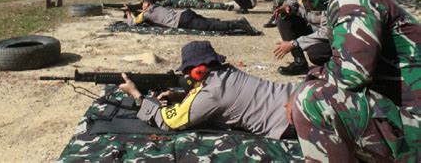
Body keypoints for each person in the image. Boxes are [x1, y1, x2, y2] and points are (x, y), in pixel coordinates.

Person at [284, 0, 421, 161]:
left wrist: (308, 80)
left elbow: (351, 74)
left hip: (413, 125)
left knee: (313, 99)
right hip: (405, 115)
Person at [119, 40, 296, 139]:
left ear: (198, 71)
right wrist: (179, 95)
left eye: (188, 71)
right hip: (299, 94)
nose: (186, 76)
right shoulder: (228, 71)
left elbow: (168, 123)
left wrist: (136, 94)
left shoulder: (211, 93)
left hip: (291, 122)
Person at [125, 0, 260, 35]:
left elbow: (132, 23)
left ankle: (239, 24)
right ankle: (238, 22)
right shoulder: (157, 7)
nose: (142, 5)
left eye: (143, 3)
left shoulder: (146, 13)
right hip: (186, 13)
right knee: (210, 21)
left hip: (182, 21)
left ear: (147, 4)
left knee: (211, 26)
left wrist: (128, 13)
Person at [272, 0, 331, 75]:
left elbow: (326, 33)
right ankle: (300, 63)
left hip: (331, 39)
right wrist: (288, 7)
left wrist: (295, 43)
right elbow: (294, 2)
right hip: (313, 30)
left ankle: (336, 65)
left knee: (316, 54)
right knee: (283, 17)